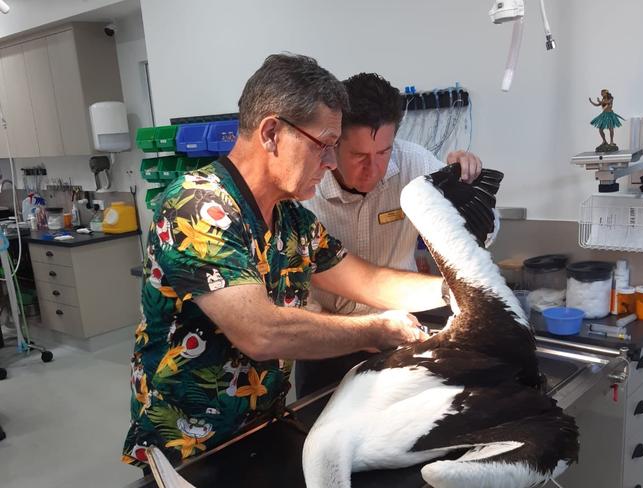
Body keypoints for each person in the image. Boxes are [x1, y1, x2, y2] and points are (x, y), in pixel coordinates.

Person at [122, 54, 448, 468]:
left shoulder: (292, 220)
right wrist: (378, 329)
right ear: (273, 133)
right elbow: (260, 332)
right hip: (188, 447)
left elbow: (365, 280)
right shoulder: (198, 206)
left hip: (260, 428)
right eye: (325, 146)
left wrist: (452, 290)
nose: (331, 163)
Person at [297, 73, 483, 397]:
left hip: (399, 337)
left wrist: (467, 193)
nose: (373, 168)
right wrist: (360, 331)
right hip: (327, 343)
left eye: (383, 152)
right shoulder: (306, 192)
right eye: (359, 156)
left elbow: (477, 238)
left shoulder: (414, 165)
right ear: (334, 143)